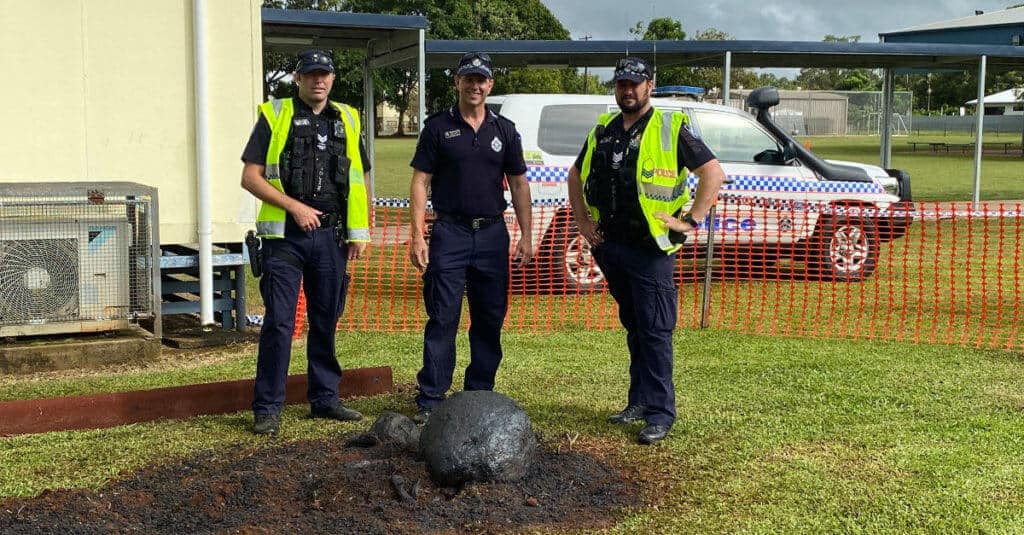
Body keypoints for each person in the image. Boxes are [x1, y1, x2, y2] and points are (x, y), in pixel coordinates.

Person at [567, 56, 726, 445]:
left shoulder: (671, 127)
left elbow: (713, 173)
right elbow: (575, 174)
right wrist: (583, 223)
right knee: (636, 327)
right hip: (612, 247)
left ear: (649, 86)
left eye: (635, 84)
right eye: (622, 83)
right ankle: (637, 403)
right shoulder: (604, 128)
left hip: (650, 249)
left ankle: (660, 413)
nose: (628, 90)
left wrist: (690, 221)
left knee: (655, 330)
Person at [240, 49, 372, 436]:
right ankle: (267, 408)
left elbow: (359, 180)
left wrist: (358, 231)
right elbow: (251, 177)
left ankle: (325, 399)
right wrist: (294, 207)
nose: (319, 80)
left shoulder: (347, 118)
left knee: (326, 320)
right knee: (280, 323)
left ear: (332, 78)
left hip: (331, 237)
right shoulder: (274, 114)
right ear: (297, 77)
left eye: (326, 74)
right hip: (286, 238)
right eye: (312, 74)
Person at [408, 52, 533, 424]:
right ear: (457, 82)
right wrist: (417, 235)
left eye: (482, 80)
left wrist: (526, 234)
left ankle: (479, 393)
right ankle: (431, 397)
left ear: (490, 85)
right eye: (468, 79)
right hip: (450, 232)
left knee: (489, 317)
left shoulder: (505, 130)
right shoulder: (436, 127)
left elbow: (519, 183)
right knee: (443, 316)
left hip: (493, 233)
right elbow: (420, 181)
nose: (475, 86)